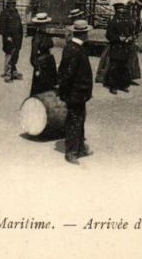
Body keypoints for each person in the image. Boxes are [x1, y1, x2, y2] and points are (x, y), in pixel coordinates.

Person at [58, 19, 94, 164]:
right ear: (83, 34)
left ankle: (79, 148)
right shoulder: (74, 50)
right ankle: (71, 152)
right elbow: (68, 74)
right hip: (75, 93)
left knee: (80, 119)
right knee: (74, 120)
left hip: (79, 93)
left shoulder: (75, 47)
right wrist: (65, 92)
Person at [105, 3, 134, 94]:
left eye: (123, 12)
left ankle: (123, 84)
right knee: (114, 67)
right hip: (116, 47)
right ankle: (113, 86)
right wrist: (118, 38)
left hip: (125, 47)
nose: (122, 14)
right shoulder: (113, 21)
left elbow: (133, 31)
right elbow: (108, 35)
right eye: (120, 12)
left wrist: (131, 37)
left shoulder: (128, 20)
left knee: (124, 66)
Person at [30, 13, 58, 96]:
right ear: (38, 26)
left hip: (49, 63)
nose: (44, 27)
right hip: (42, 65)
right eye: (41, 25)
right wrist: (38, 69)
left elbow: (51, 44)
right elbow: (33, 57)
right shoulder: (36, 38)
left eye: (45, 24)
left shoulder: (47, 35)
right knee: (40, 89)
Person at [0, 0, 23, 83]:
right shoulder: (4, 13)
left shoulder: (16, 12)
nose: (13, 5)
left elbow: (19, 24)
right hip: (9, 39)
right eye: (11, 3)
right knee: (9, 56)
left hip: (17, 38)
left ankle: (13, 72)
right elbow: (2, 27)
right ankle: (7, 74)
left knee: (15, 56)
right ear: (8, 3)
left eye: (14, 3)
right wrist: (7, 37)